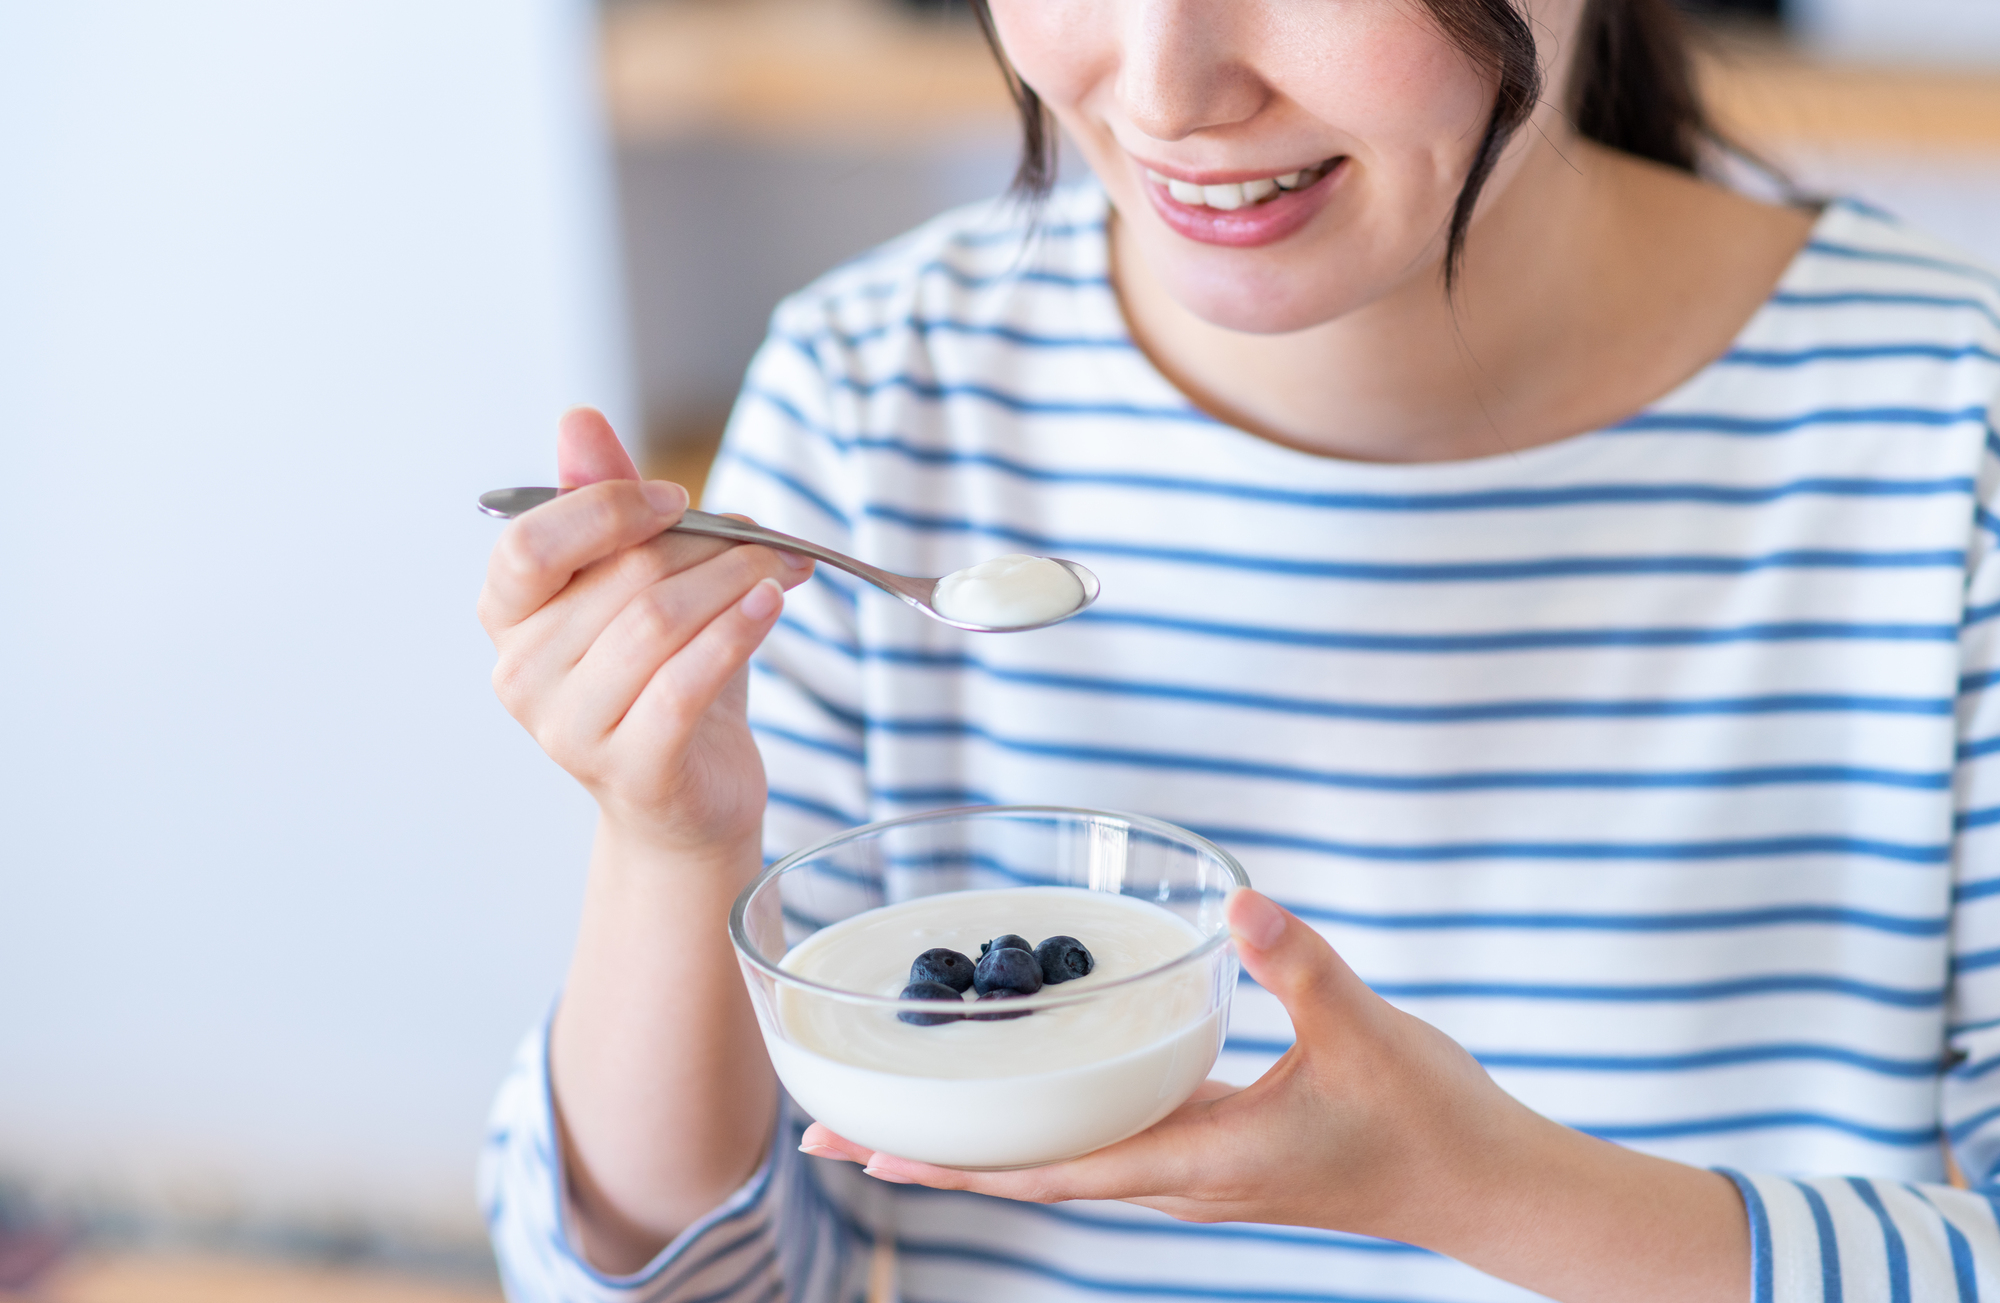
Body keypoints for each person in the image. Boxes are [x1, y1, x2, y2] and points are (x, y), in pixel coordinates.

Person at [474, 0, 2000, 1296]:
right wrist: (671, 849)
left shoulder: (1951, 430)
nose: (1164, 88)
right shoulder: (880, 400)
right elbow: (679, 1275)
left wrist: (1491, 1190)